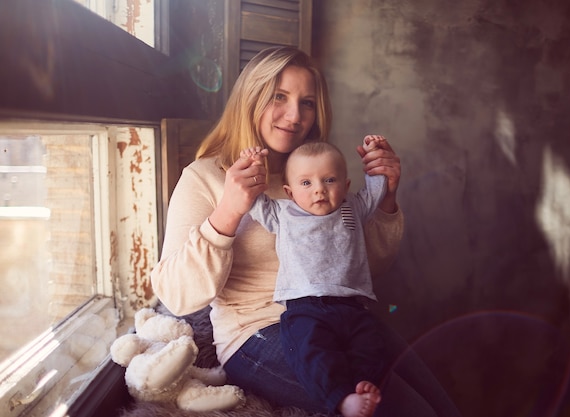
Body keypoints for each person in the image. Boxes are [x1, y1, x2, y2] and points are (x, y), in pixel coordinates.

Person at [150, 45, 461, 417]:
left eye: (307, 102)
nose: (295, 115)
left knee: (442, 406)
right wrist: (228, 213)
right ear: (251, 97)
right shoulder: (205, 177)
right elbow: (177, 296)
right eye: (279, 97)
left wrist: (387, 198)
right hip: (259, 333)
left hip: (342, 318)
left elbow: (365, 268)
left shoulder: (318, 174)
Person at [241, 136, 387, 417]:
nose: (319, 190)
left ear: (345, 186)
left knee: (372, 347)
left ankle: (363, 387)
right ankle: (341, 399)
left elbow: (375, 190)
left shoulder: (352, 207)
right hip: (306, 307)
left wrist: (375, 155)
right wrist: (252, 164)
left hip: (353, 306)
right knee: (313, 354)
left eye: (329, 180)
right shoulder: (283, 213)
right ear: (290, 191)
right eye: (306, 183)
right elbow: (252, 200)